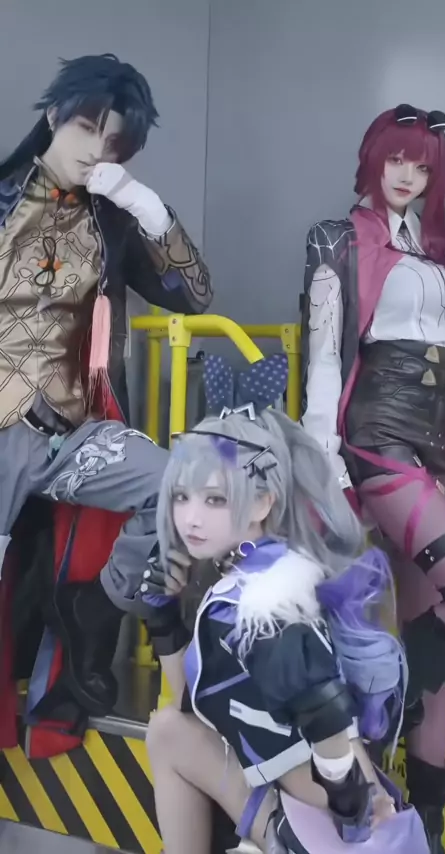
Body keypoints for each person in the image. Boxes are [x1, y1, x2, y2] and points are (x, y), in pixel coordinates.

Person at [0, 53, 212, 748]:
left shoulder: (112, 218)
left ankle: (94, 608)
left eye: (114, 140)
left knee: (175, 488)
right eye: (88, 128)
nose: (97, 149)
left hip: (72, 433)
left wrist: (149, 209)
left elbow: (194, 295)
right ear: (54, 116)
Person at [144, 353, 429, 854]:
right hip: (301, 812)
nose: (190, 518)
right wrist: (163, 618)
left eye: (214, 499)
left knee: (168, 732)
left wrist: (351, 800)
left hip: (322, 833)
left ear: (262, 503)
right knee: (167, 730)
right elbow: (194, 706)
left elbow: (324, 710)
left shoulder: (262, 599)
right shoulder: (261, 571)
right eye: (181, 497)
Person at [300, 104, 445, 852]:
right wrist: (325, 461)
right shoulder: (338, 238)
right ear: (374, 158)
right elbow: (325, 355)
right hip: (376, 439)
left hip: (437, 450)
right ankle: (383, 709)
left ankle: (420, 830)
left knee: (435, 655)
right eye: (397, 158)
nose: (407, 174)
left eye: (422, 165)